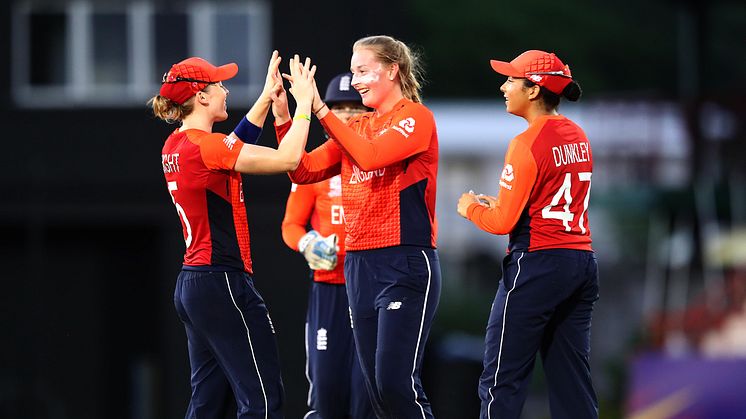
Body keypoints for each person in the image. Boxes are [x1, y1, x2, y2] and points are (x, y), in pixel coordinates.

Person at [272, 35, 441, 419]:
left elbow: (370, 157)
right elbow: (303, 169)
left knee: (395, 385)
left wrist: (318, 106)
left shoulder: (415, 117)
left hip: (404, 261)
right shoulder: (359, 125)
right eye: (353, 71)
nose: (357, 80)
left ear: (393, 70)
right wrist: (285, 118)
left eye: (363, 71)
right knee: (376, 395)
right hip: (359, 267)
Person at [150, 51, 316, 419]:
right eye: (219, 85)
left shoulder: (176, 145)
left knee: (208, 404)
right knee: (263, 402)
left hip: (194, 284)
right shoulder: (207, 147)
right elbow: (288, 159)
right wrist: (303, 104)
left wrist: (265, 96)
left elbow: (230, 147)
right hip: (223, 281)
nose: (226, 91)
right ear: (202, 97)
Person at [456, 50, 598, 419]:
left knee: (501, 378)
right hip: (581, 261)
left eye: (511, 80)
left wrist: (470, 207)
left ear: (533, 90)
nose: (503, 87)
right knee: (572, 382)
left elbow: (501, 222)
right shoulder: (577, 134)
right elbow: (545, 196)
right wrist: (503, 204)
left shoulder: (526, 142)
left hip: (537, 264)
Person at [280, 72, 374, 419]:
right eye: (339, 107)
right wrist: (309, 244)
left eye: (354, 107)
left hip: (368, 286)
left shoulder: (376, 161)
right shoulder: (318, 165)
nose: (347, 115)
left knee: (368, 393)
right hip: (330, 289)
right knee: (327, 391)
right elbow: (290, 225)